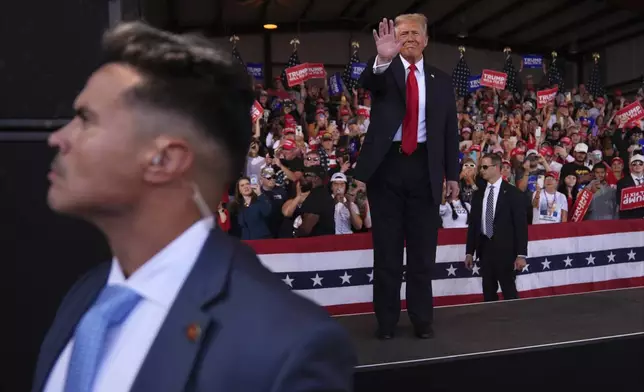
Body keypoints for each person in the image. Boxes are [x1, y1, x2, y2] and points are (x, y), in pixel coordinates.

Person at [33, 22, 355, 392]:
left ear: (164, 160)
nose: (58, 138)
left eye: (86, 120)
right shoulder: (84, 297)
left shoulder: (286, 350)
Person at [355, 14, 460, 339]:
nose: (410, 37)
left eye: (415, 32)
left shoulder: (441, 80)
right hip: (386, 169)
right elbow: (367, 84)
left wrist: (452, 175)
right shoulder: (385, 71)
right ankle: (386, 323)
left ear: (426, 39)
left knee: (422, 253)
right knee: (386, 253)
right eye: (403, 33)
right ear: (395, 39)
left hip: (425, 170)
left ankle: (421, 319)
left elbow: (450, 131)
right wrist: (383, 58)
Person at [465, 153, 528, 302]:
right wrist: (469, 251)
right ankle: (490, 323)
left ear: (497, 168)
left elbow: (520, 226)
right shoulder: (479, 194)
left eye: (485, 167)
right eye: (481, 167)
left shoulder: (513, 194)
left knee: (509, 290)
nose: (482, 170)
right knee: (488, 291)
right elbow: (473, 224)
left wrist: (521, 254)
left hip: (506, 250)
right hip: (485, 248)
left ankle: (513, 322)